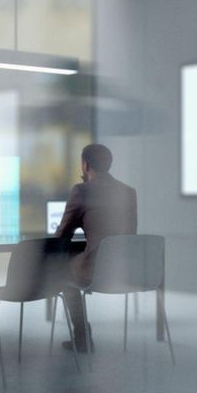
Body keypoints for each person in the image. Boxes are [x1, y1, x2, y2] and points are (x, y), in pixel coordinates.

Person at [56, 144, 138, 353]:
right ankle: (82, 336)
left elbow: (63, 234)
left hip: (96, 271)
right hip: (125, 268)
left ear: (85, 164)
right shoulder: (128, 192)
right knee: (78, 258)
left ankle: (82, 337)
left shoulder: (82, 190)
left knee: (63, 269)